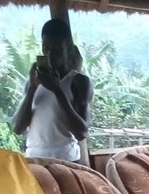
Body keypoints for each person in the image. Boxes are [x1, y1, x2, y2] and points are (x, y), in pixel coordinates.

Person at [12, 18, 93, 162]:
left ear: (68, 48)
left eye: (56, 49)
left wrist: (57, 90)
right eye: (45, 47)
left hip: (66, 162)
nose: (49, 53)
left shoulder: (78, 81)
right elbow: (18, 128)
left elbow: (81, 132)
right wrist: (32, 88)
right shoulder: (33, 82)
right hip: (34, 161)